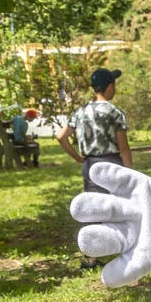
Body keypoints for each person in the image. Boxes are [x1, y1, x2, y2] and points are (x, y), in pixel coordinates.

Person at [55, 68, 133, 269]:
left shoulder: (80, 112)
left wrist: (79, 158)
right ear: (109, 86)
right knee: (120, 206)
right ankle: (124, 249)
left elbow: (61, 137)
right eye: (114, 85)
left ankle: (91, 256)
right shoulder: (115, 112)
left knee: (94, 208)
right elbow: (123, 146)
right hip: (112, 163)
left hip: (90, 165)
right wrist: (131, 172)